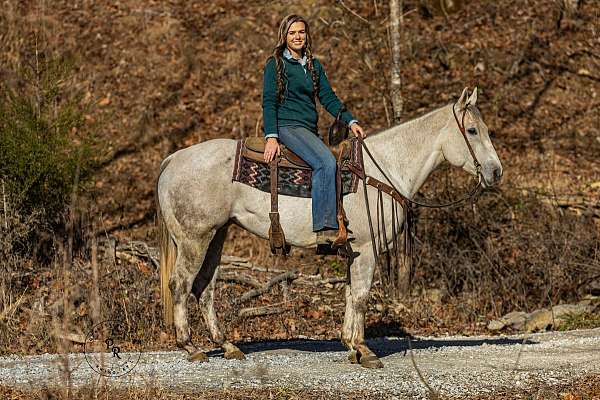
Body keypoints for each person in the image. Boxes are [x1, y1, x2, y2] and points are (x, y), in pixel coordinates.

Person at [261, 14, 366, 246]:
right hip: (287, 125)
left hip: (308, 128)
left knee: (337, 164)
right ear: (284, 36)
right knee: (325, 163)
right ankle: (325, 230)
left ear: (307, 35)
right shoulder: (276, 64)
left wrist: (350, 121)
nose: (297, 37)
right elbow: (269, 101)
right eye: (292, 33)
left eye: (301, 32)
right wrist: (271, 136)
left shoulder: (313, 65)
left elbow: (328, 97)